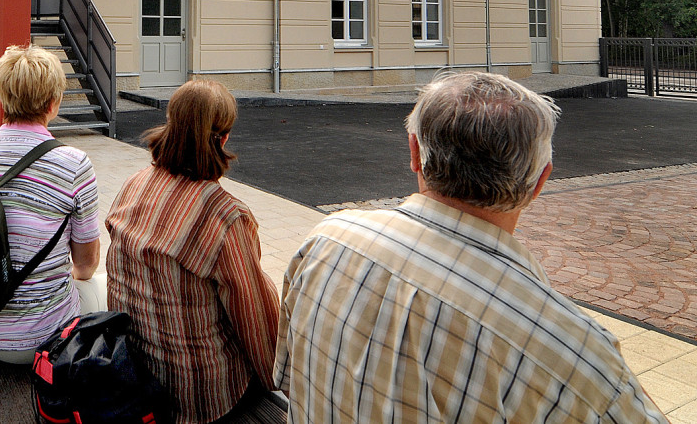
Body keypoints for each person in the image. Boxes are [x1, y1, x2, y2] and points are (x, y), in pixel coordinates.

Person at [275, 71, 669, 424]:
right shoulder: (573, 350)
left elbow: (290, 381)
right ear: (540, 181)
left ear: (414, 152)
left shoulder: (326, 239)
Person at [106, 79, 280, 424]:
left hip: (136, 370)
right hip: (200, 397)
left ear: (171, 126)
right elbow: (255, 320)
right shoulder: (225, 216)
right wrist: (277, 382)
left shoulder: (135, 183)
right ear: (224, 138)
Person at [0, 44, 102, 362]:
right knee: (97, 288)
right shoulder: (73, 162)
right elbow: (85, 264)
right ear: (53, 103)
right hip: (38, 341)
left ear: (1, 96)